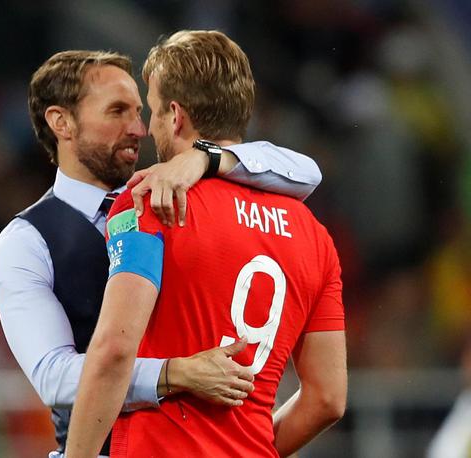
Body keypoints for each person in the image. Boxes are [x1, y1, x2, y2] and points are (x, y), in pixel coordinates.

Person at [0, 49, 323, 457]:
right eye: (117, 112)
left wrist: (207, 156)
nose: (139, 129)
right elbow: (53, 378)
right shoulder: (24, 241)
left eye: (139, 111)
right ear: (61, 122)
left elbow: (306, 171)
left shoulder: (168, 196)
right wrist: (175, 373)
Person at [65, 30, 347, 458]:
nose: (146, 127)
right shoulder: (314, 234)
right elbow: (328, 398)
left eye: (155, 111)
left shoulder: (154, 200)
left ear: (176, 116)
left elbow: (114, 350)